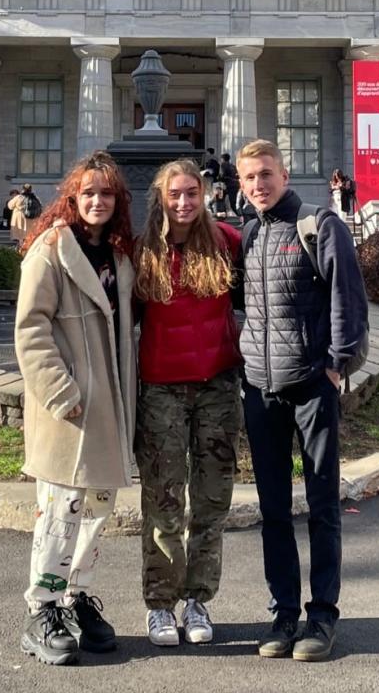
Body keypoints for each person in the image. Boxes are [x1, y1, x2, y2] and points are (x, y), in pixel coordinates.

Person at [236, 139, 368, 662]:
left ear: (284, 175)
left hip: (312, 386)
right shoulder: (246, 234)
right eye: (249, 178)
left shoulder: (318, 225)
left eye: (266, 174)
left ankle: (322, 616)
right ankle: (284, 613)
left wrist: (339, 363)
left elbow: (348, 296)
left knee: (321, 506)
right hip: (261, 389)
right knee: (272, 510)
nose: (258, 185)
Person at [14, 151, 137, 666]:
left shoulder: (120, 256)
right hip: (70, 407)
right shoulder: (50, 249)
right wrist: (62, 393)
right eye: (88, 192)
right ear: (73, 196)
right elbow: (30, 329)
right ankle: (41, 609)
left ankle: (75, 596)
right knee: (61, 512)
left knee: (97, 511)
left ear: (118, 200)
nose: (97, 201)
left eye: (106, 193)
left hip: (110, 409)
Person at [133, 159, 243, 648]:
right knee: (164, 497)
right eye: (175, 194)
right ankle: (160, 604)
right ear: (161, 197)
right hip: (161, 387)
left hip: (217, 384)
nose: (183, 202)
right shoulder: (141, 252)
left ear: (205, 195)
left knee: (213, 497)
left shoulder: (227, 241)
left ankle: (198, 598)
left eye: (192, 193)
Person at [9, 184, 43, 249]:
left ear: (23, 189)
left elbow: (10, 206)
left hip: (20, 218)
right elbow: (40, 207)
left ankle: (21, 248)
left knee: (20, 235)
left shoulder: (18, 197)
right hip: (32, 219)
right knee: (29, 235)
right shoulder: (35, 198)